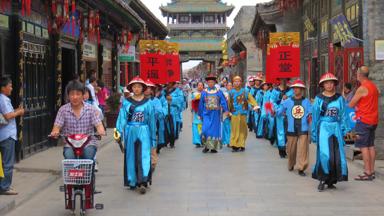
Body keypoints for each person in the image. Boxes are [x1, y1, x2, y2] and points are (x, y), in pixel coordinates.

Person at [114, 77, 156, 194]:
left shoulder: (148, 103)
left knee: (144, 155)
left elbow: (151, 121)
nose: (137, 88)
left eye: (139, 86)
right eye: (134, 86)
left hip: (144, 130)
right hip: (130, 130)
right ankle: (132, 180)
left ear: (143, 88)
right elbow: (121, 119)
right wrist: (118, 133)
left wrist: (153, 137)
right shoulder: (126, 102)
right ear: (131, 88)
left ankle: (142, 181)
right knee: (131, 155)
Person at [311, 72, 350, 192]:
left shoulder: (340, 99)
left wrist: (345, 130)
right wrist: (314, 132)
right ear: (323, 85)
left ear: (334, 84)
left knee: (337, 154)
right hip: (323, 127)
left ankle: (332, 180)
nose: (329, 85)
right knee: (325, 153)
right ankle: (322, 179)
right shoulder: (318, 99)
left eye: (331, 82)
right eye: (326, 83)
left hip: (336, 128)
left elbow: (343, 115)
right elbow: (315, 117)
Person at [50, 80, 105, 160]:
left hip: (88, 143)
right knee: (69, 157)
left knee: (88, 155)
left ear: (83, 95)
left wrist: (101, 130)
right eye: (72, 94)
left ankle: (90, 171)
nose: (75, 97)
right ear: (68, 96)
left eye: (78, 94)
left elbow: (98, 124)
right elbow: (57, 126)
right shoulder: (63, 110)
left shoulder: (90, 109)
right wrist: (55, 132)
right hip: (70, 144)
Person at [349, 66, 379, 181]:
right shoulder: (373, 86)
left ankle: (367, 172)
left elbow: (351, 104)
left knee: (363, 146)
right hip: (373, 120)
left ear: (359, 75)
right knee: (371, 145)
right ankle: (371, 171)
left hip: (364, 120)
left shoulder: (362, 88)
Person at [276, 79, 312, 176]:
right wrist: (275, 109)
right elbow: (279, 111)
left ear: (302, 89)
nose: (296, 90)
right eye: (294, 88)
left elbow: (311, 113)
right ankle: (291, 163)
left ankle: (301, 168)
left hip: (303, 128)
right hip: (291, 128)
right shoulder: (287, 101)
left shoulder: (306, 102)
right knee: (291, 150)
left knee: (303, 149)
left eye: (298, 88)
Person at [0, 77, 25, 195]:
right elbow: (8, 116)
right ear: (3, 88)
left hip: (4, 134)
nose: (11, 88)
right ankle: (5, 187)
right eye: (9, 86)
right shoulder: (3, 99)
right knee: (8, 163)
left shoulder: (3, 99)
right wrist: (19, 112)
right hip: (7, 135)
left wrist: (15, 110)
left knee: (4, 162)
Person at [198, 74, 229, 153]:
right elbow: (201, 103)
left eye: (212, 82)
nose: (210, 83)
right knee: (205, 129)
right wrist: (200, 114)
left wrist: (226, 110)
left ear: (215, 82)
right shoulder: (204, 92)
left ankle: (213, 147)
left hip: (215, 114)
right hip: (206, 113)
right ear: (207, 83)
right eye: (209, 82)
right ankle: (206, 146)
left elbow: (223, 102)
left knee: (214, 131)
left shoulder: (218, 92)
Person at [228, 76, 259, 152]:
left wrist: (255, 105)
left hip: (243, 113)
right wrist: (228, 112)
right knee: (235, 129)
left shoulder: (245, 91)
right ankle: (234, 144)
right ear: (233, 83)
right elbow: (229, 103)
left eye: (238, 81)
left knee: (243, 129)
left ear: (241, 82)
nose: (237, 83)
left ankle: (242, 144)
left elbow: (251, 99)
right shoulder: (231, 92)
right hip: (234, 113)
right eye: (235, 81)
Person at [270, 78, 294, 158]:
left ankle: (289, 147)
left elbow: (294, 101)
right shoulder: (275, 91)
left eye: (285, 79)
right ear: (279, 80)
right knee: (280, 131)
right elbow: (272, 102)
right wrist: (278, 110)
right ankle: (281, 149)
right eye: (281, 79)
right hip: (280, 114)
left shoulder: (291, 90)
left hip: (289, 114)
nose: (283, 80)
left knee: (289, 131)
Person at [161, 81, 184, 148]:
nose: (169, 84)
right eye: (168, 83)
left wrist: (172, 99)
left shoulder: (178, 91)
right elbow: (161, 100)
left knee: (172, 127)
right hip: (164, 111)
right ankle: (165, 142)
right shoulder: (163, 91)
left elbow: (181, 100)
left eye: (171, 83)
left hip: (173, 111)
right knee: (164, 127)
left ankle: (172, 142)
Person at [191, 82, 204, 148]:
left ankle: (203, 140)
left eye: (201, 85)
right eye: (199, 85)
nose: (200, 86)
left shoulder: (205, 93)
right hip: (196, 113)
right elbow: (192, 102)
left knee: (203, 127)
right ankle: (197, 142)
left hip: (203, 113)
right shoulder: (194, 94)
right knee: (196, 127)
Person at [222, 82, 233, 147]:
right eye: (228, 85)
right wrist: (226, 111)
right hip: (225, 114)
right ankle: (227, 141)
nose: (230, 86)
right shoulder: (224, 94)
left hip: (233, 113)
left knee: (232, 128)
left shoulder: (234, 93)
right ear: (226, 87)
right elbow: (222, 103)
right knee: (226, 127)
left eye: (231, 85)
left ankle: (231, 141)